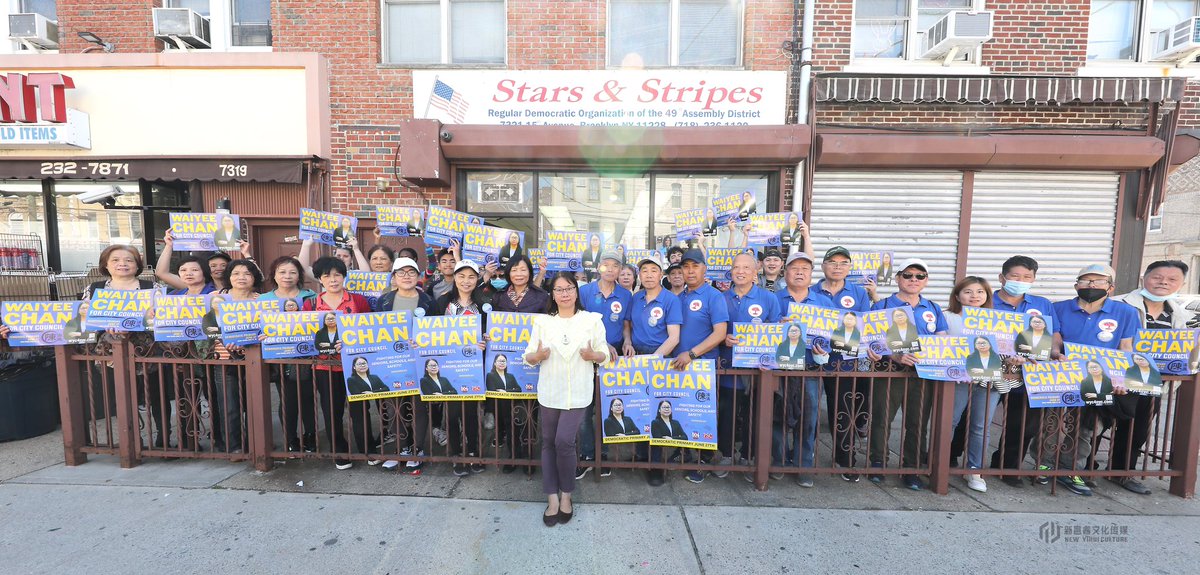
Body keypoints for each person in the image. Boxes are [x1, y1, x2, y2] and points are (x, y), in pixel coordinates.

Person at [1038, 263, 1139, 497]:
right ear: (1076, 285)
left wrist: (1120, 377)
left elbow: (1126, 348)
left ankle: (1071, 470)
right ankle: (1043, 464)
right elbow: (1054, 338)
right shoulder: (1058, 308)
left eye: (1098, 281)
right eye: (1086, 281)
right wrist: (1055, 353)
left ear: (1110, 287)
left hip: (1100, 379)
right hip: (1061, 375)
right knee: (1050, 423)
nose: (1091, 285)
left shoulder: (1126, 312)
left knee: (1087, 428)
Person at [523, 272, 610, 526]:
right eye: (559, 289)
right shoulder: (543, 322)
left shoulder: (591, 321)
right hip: (550, 391)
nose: (564, 294)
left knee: (564, 441)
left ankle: (567, 495)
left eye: (569, 288)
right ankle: (552, 497)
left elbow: (604, 353)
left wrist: (594, 355)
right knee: (548, 442)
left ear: (576, 291)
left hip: (578, 392)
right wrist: (537, 356)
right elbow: (528, 356)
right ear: (552, 294)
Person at [1108, 260, 1197, 494]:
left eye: (1172, 279)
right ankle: (1082, 470)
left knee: (1137, 430)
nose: (1164, 283)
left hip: (1150, 382)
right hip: (1114, 377)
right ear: (1144, 278)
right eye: (1157, 277)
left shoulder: (1179, 314)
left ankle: (1122, 472)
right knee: (1097, 425)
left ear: (1181, 284)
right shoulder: (1118, 304)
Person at [868, 258, 948, 491]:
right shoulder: (882, 306)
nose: (914, 279)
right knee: (882, 418)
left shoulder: (932, 308)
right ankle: (878, 463)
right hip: (889, 371)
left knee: (918, 422)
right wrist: (894, 355)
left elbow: (942, 339)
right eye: (908, 275)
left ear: (926, 281)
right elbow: (871, 339)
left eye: (920, 276)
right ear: (898, 278)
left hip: (923, 374)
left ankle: (911, 468)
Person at [986, 255, 1062, 489]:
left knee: (1023, 424)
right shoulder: (986, 300)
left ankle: (1007, 467)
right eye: (1015, 276)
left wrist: (1055, 352)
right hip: (991, 369)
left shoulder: (1042, 304)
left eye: (1027, 277)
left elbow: (1054, 334)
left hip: (1028, 372)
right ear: (1002, 278)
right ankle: (953, 460)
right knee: (975, 418)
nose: (1021, 281)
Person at [713, 252, 784, 481]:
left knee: (754, 414)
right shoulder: (720, 298)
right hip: (729, 367)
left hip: (758, 370)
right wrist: (723, 339)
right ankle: (726, 454)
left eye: (746, 268)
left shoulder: (768, 298)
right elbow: (712, 330)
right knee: (727, 413)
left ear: (755, 273)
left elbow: (776, 333)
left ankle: (748, 456)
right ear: (731, 272)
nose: (740, 271)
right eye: (736, 267)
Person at [664, 248, 730, 485]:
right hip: (677, 365)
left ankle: (702, 460)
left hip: (701, 366)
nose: (690, 271)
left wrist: (691, 354)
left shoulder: (714, 296)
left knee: (701, 415)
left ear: (705, 269)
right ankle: (682, 451)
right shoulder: (677, 297)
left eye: (695, 266)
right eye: (686, 266)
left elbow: (720, 333)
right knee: (679, 410)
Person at [302, 256, 375, 470]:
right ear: (319, 279)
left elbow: (369, 330)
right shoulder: (311, 304)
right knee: (331, 410)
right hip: (325, 367)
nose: (333, 280)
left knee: (360, 409)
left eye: (337, 275)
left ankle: (368, 449)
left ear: (344, 276)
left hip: (355, 366)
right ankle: (339, 452)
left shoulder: (358, 301)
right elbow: (303, 334)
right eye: (327, 276)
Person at [814, 246, 875, 481]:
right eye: (832, 262)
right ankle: (802, 454)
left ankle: (845, 457)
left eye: (843, 263)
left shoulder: (858, 293)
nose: (837, 267)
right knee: (807, 408)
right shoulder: (812, 290)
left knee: (842, 411)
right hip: (812, 359)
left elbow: (864, 326)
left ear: (849, 268)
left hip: (844, 362)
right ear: (823, 266)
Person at [373, 256, 438, 472]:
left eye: (411, 272)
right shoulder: (384, 301)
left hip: (419, 362)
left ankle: (417, 449)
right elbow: (373, 330)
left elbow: (438, 330)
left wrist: (425, 342)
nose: (406, 276)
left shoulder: (428, 301)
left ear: (418, 276)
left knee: (418, 407)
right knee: (394, 407)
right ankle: (401, 448)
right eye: (401, 272)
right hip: (392, 362)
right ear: (394, 277)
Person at [773, 251, 832, 486]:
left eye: (805, 269)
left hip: (810, 369)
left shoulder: (823, 303)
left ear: (811, 274)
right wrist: (775, 328)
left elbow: (833, 338)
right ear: (785, 272)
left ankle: (803, 464)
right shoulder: (774, 299)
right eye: (794, 268)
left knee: (809, 419)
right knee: (777, 417)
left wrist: (823, 352)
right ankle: (777, 461)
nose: (799, 272)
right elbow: (760, 332)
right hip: (779, 368)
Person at [575, 250, 633, 478]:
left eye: (615, 266)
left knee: (607, 406)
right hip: (587, 356)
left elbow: (626, 325)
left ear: (621, 270)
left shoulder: (625, 295)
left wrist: (627, 341)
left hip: (614, 358)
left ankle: (604, 455)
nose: (610, 269)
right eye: (606, 264)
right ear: (598, 266)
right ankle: (588, 455)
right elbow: (579, 324)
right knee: (584, 408)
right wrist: (602, 344)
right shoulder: (585, 291)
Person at [432, 259, 490, 476]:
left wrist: (485, 340)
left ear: (477, 279)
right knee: (453, 412)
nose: (466, 281)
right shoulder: (442, 302)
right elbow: (429, 330)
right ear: (454, 278)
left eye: (471, 277)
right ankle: (456, 454)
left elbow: (491, 332)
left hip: (473, 366)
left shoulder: (483, 304)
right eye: (462, 276)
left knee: (471, 413)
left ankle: (474, 452)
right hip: (448, 366)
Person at [944, 277, 1002, 493]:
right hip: (956, 380)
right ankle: (938, 464)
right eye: (968, 291)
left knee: (981, 426)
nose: (974, 296)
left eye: (980, 292)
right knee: (948, 422)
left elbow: (1008, 348)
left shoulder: (997, 320)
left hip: (988, 381)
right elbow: (938, 345)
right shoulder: (947, 317)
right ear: (957, 295)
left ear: (987, 296)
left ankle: (974, 470)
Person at [203, 258, 262, 454]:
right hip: (224, 358)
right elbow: (205, 325)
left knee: (255, 404)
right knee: (229, 405)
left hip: (254, 360)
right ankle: (234, 447)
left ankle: (258, 444)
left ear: (254, 277)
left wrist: (251, 339)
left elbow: (270, 328)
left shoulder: (262, 300)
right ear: (229, 277)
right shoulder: (215, 297)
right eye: (236, 273)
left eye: (247, 273)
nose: (241, 277)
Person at [259, 256, 318, 454]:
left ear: (299, 276)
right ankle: (291, 438)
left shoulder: (310, 297)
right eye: (282, 272)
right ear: (274, 275)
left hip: (307, 357)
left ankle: (311, 436)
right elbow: (255, 327)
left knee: (309, 398)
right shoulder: (263, 300)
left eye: (292, 272)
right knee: (287, 400)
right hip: (279, 358)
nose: (287, 276)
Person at [624, 253, 682, 358]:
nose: (649, 275)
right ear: (639, 275)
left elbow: (674, 338)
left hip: (661, 355)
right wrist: (627, 342)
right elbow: (628, 324)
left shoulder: (671, 300)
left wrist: (653, 360)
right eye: (645, 271)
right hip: (636, 356)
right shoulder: (635, 298)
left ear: (661, 275)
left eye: (654, 271)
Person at [156, 229, 249, 293]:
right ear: (205, 269)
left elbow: (255, 276)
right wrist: (169, 246)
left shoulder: (240, 284)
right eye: (213, 266)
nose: (219, 268)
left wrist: (247, 254)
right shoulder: (196, 285)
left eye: (223, 265)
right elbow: (161, 273)